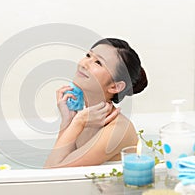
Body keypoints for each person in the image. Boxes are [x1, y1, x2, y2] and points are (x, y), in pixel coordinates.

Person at [44, 38, 148, 168]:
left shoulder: (118, 130)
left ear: (115, 86)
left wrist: (78, 122)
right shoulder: (87, 117)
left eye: (98, 62)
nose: (83, 64)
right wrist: (67, 121)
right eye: (88, 55)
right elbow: (58, 162)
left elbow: (50, 172)